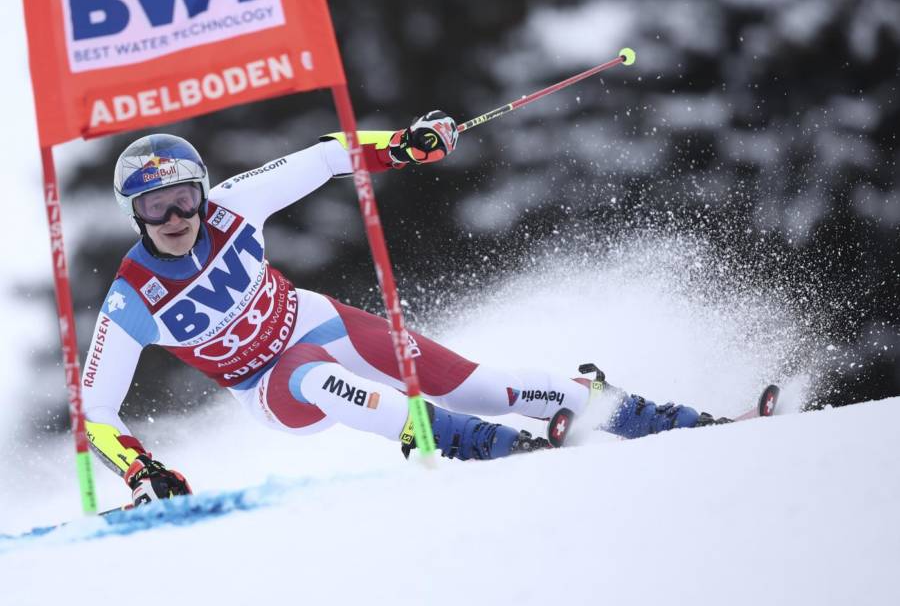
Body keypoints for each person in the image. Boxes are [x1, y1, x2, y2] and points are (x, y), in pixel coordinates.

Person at [81, 111, 723, 506]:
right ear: (133, 214)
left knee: (475, 384)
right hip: (269, 387)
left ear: (201, 192)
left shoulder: (234, 205)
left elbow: (327, 155)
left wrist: (401, 145)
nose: (174, 217)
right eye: (154, 207)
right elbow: (96, 410)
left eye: (184, 198)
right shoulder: (132, 297)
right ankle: (469, 442)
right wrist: (142, 471)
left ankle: (647, 416)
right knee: (311, 373)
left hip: (315, 319)